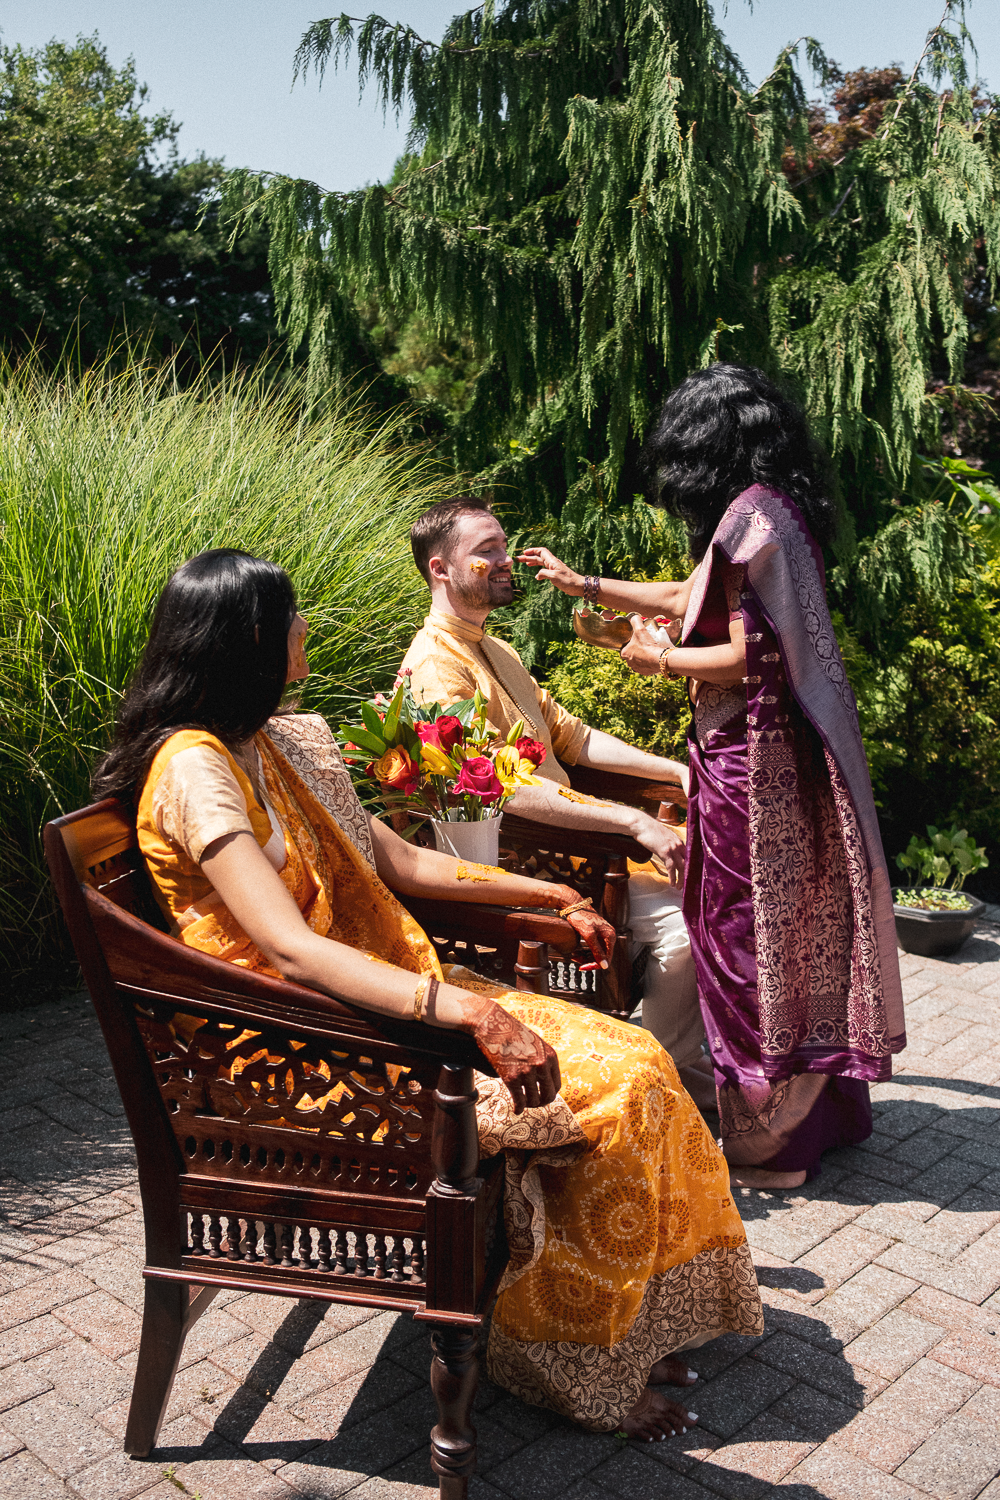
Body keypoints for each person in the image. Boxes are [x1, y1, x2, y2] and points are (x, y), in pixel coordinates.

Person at [92, 548, 763, 1440]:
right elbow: (288, 953)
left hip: (371, 1008)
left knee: (637, 1058)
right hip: (302, 1052)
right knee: (617, 1087)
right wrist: (470, 1012)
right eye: (289, 617)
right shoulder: (195, 770)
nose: (304, 630)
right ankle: (572, 1359)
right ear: (250, 637)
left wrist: (541, 893)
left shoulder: (265, 744)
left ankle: (622, 1323)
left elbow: (399, 861)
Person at [523, 363, 906, 1190]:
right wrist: (585, 584)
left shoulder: (750, 518)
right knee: (787, 927)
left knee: (742, 936)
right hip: (774, 760)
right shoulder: (769, 510)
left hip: (748, 767)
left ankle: (769, 1150)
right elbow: (684, 591)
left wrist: (656, 660)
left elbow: (748, 654)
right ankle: (820, 1120)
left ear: (702, 444)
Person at [400, 497, 716, 1109]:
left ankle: (671, 1073)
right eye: (484, 551)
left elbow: (572, 737)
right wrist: (630, 819)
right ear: (440, 569)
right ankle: (658, 1085)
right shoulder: (435, 666)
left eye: (502, 545)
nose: (503, 559)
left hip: (576, 848)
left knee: (711, 898)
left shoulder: (496, 651)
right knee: (690, 926)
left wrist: (678, 770)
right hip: (527, 864)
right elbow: (498, 785)